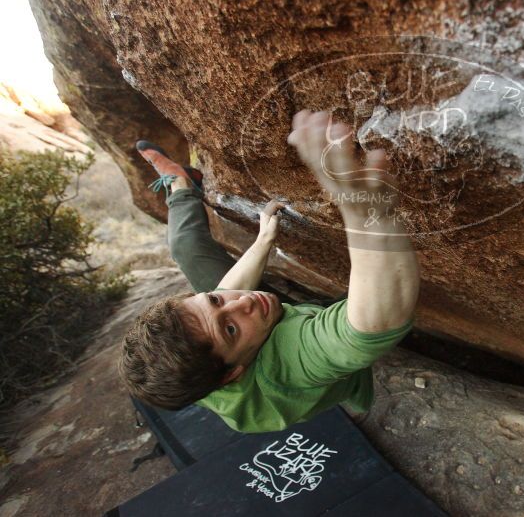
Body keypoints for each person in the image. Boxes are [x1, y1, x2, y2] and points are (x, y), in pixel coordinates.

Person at [119, 110, 420, 432]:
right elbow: (371, 327)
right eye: (229, 328)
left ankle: (181, 184)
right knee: (362, 297)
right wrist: (364, 213)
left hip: (244, 341)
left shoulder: (194, 354)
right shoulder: (285, 365)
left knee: (186, 249)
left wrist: (263, 241)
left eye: (214, 301)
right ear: (234, 373)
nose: (242, 302)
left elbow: (223, 300)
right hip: (306, 355)